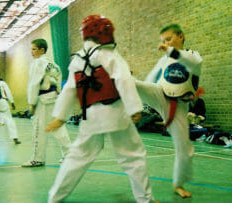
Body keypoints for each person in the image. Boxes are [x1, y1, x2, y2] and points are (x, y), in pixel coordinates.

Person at [46, 15, 157, 203]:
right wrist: (134, 108)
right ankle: (145, 199)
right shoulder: (111, 55)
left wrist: (60, 117)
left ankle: (55, 197)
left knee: (77, 157)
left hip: (91, 117)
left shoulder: (77, 60)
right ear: (107, 34)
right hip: (117, 114)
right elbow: (124, 80)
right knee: (133, 157)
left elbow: (69, 89)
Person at [135, 24, 203, 198]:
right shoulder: (165, 59)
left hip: (179, 105)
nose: (165, 43)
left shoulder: (193, 56)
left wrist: (171, 51)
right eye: (163, 41)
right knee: (132, 82)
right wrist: (139, 105)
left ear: (180, 36)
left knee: (184, 148)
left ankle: (178, 184)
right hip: (159, 94)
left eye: (169, 39)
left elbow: (193, 63)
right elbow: (151, 77)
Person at [21, 38, 71, 167]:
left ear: (41, 50)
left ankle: (37, 158)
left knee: (38, 129)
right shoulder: (54, 65)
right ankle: (69, 155)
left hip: (42, 100)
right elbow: (59, 83)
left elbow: (33, 84)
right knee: (58, 127)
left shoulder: (38, 63)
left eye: (33, 49)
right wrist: (58, 95)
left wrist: (31, 103)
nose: (31, 52)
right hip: (54, 97)